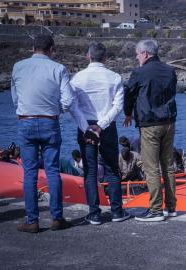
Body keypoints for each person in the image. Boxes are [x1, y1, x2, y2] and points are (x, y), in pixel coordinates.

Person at [11, 34, 76, 233]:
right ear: (51, 49)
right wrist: (55, 110)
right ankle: (57, 218)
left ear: (33, 48)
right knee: (52, 171)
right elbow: (68, 101)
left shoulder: (18, 66)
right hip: (50, 122)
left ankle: (32, 220)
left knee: (29, 173)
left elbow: (15, 98)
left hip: (26, 121)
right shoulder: (59, 68)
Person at [69, 41, 130, 225]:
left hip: (85, 126)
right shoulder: (115, 77)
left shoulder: (77, 78)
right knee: (112, 169)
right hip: (107, 127)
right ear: (105, 58)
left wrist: (86, 127)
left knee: (90, 171)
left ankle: (94, 214)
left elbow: (72, 106)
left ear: (88, 56)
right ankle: (117, 212)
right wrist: (101, 125)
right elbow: (118, 106)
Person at [124, 39, 178, 222]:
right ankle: (171, 207)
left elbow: (128, 94)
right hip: (169, 122)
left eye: (137, 53)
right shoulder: (170, 71)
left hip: (149, 124)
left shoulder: (139, 73)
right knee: (168, 166)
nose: (136, 56)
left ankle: (155, 210)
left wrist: (128, 114)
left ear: (145, 54)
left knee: (151, 167)